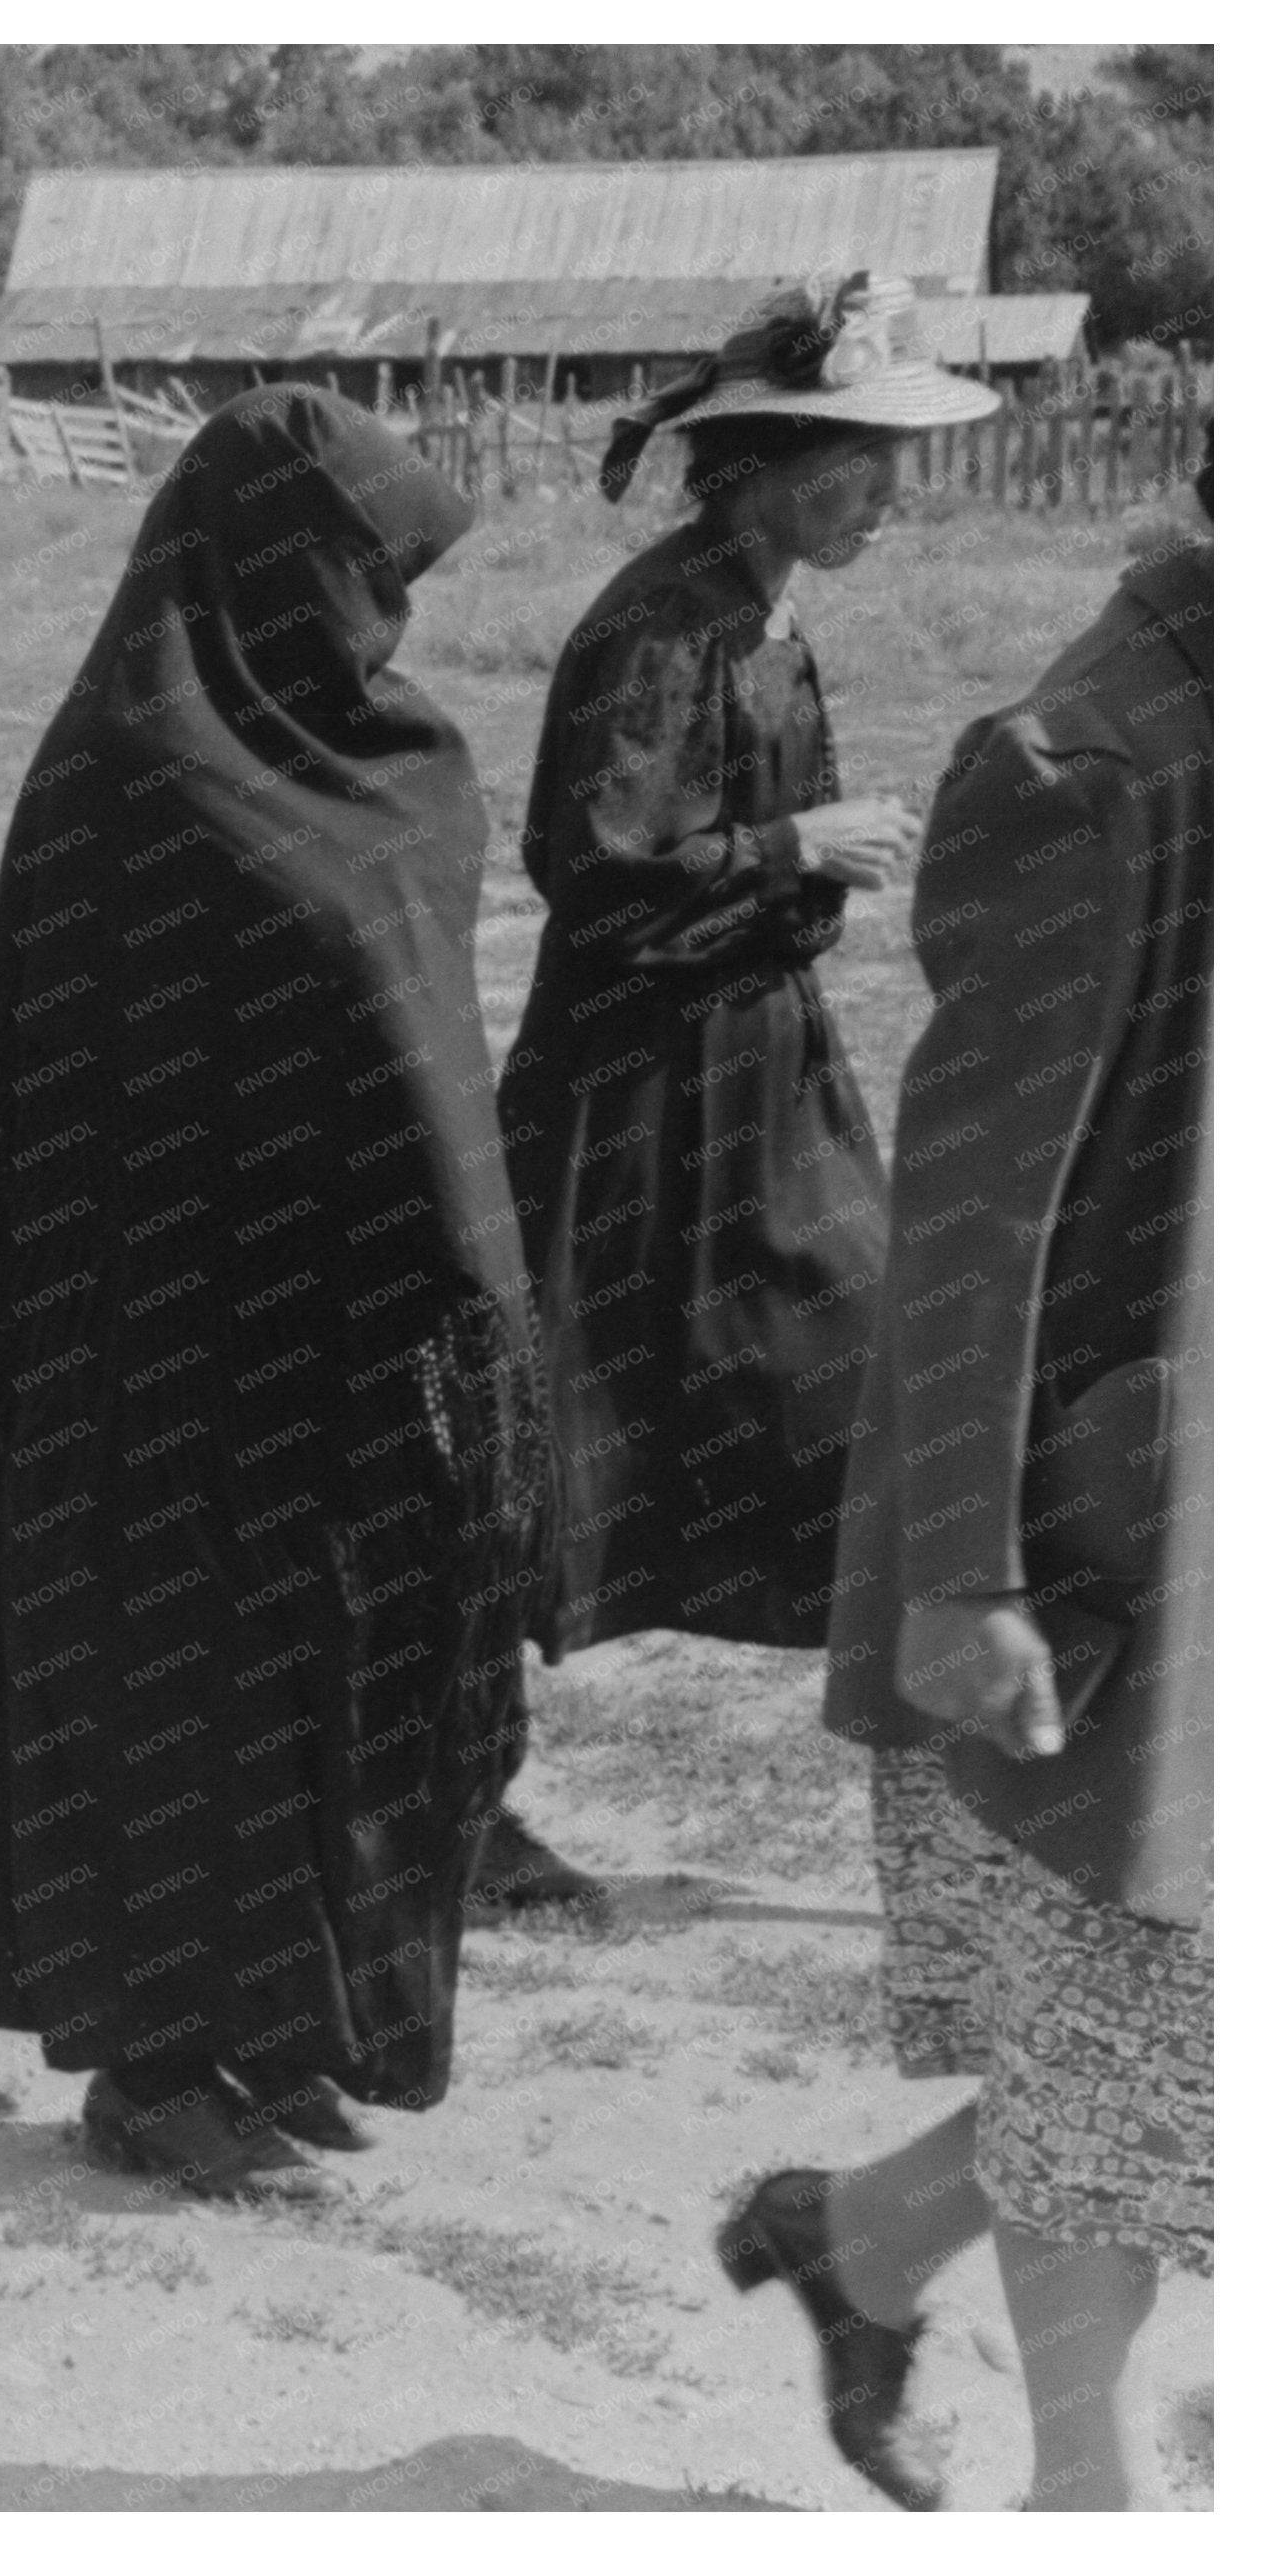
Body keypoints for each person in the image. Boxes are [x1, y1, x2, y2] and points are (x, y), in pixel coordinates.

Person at [0, 385, 552, 2199]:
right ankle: (153, 2061)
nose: (395, 615)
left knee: (345, 1675)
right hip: (155, 1353)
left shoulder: (366, 757)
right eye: (369, 569)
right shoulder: (143, 772)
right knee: (181, 1690)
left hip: (348, 1335)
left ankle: (288, 2022)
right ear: (272, 565)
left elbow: (407, 1022)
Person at [722, 476, 1210, 2513]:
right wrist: (962, 1571)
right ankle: (1091, 2503)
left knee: (1171, 2060)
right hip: (1117, 1551)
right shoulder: (1089, 765)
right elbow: (977, 1216)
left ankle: (857, 2240)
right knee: (1143, 2046)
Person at [484, 275, 998, 1906]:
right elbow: (588, 866)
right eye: (863, 460)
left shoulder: (761, 609)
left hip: (760, 1078)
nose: (890, 496)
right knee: (552, 1429)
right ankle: (444, 1790)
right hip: (636, 1103)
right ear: (769, 460)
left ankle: (965, 1808)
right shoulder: (658, 628)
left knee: (881, 1394)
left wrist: (801, 865)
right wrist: (793, 844)